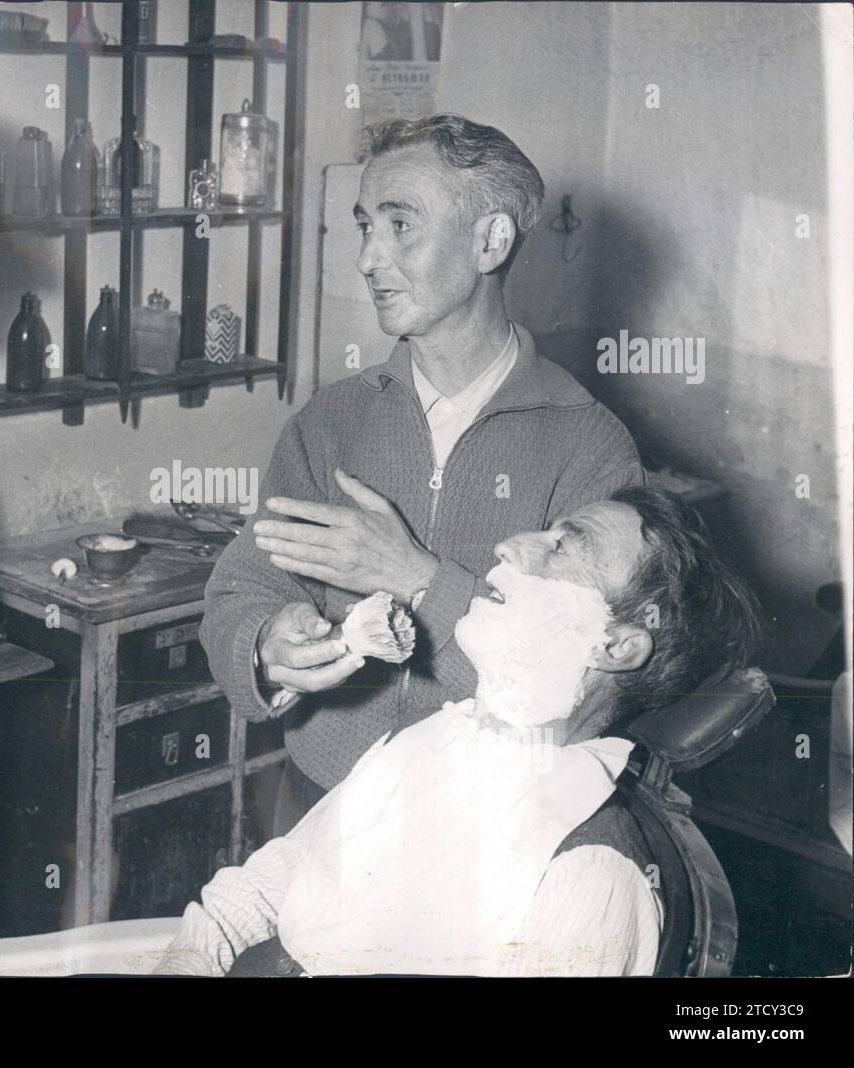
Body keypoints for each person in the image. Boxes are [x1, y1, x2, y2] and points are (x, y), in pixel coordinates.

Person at [200, 114, 644, 833]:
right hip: (322, 808)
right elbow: (242, 587)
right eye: (364, 226)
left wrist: (418, 579)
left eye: (400, 225)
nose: (369, 259)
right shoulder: (332, 420)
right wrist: (263, 640)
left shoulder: (589, 443)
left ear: (491, 240)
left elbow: (588, 685)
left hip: (491, 828)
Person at [158, 488, 762, 976]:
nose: (510, 546)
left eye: (564, 546)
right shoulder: (435, 742)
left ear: (617, 645)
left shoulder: (589, 874)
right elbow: (257, 897)